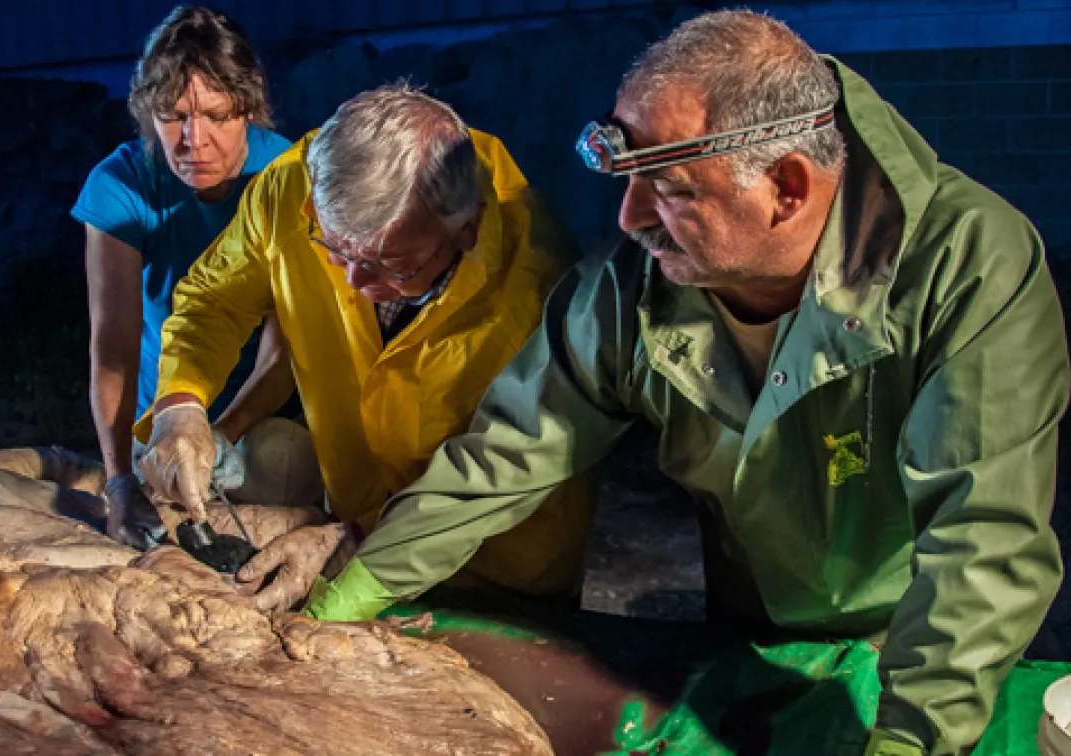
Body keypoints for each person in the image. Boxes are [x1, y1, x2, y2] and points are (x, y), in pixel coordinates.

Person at [305, 11, 1070, 756]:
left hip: (922, 635)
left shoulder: (968, 271)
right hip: (756, 618)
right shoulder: (631, 289)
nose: (631, 216)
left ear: (787, 189)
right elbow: (509, 450)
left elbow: (982, 540)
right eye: (628, 177)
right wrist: (359, 587)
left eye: (668, 187)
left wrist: (914, 736)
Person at [136, 83, 598, 612]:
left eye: (389, 264)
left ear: (463, 231)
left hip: (497, 562)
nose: (353, 282)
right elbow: (215, 298)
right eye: (332, 247)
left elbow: (506, 470)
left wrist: (359, 537)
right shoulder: (293, 186)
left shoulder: (538, 286)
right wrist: (179, 403)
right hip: (350, 517)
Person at [71, 7, 294, 550]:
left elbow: (286, 346)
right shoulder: (119, 184)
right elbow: (114, 347)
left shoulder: (287, 177)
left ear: (249, 108)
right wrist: (120, 479)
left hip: (260, 412)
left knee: (289, 478)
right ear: (147, 113)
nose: (193, 139)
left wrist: (223, 435)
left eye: (216, 115)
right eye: (173, 116)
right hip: (159, 415)